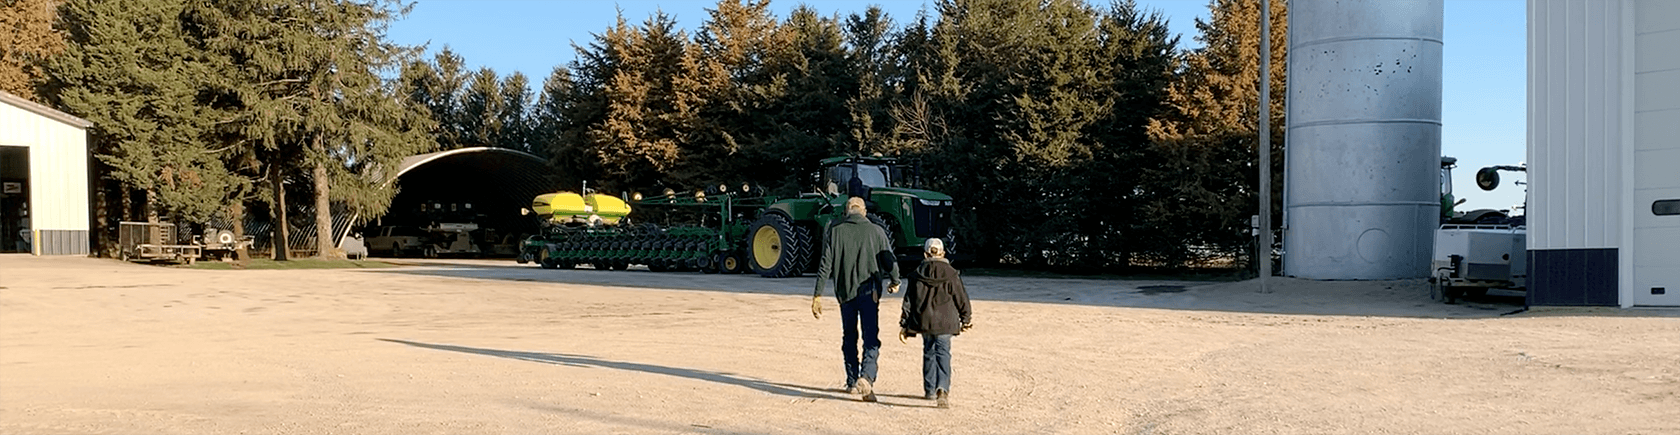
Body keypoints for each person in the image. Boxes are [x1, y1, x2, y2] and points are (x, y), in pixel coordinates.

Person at [812, 196, 900, 402]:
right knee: (871, 337)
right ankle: (867, 376)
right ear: (864, 212)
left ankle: (852, 381)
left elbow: (825, 264)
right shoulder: (877, 231)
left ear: (846, 211)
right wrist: (895, 280)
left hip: (845, 294)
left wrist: (817, 294)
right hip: (870, 293)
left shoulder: (835, 232)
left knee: (849, 336)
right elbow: (889, 260)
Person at [898, 237, 970, 409]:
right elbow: (961, 297)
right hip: (946, 321)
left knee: (928, 352)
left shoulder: (916, 274)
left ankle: (929, 390)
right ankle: (942, 389)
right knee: (943, 353)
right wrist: (966, 318)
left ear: (925, 254)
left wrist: (904, 324)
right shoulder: (951, 273)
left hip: (924, 320)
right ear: (943, 253)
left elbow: (908, 301)